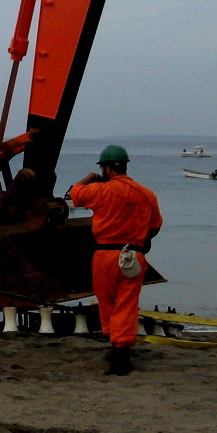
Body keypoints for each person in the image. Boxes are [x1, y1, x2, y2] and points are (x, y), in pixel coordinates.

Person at [68, 145, 163, 376]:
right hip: (133, 255)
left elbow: (74, 194)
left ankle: (116, 348)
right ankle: (120, 350)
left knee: (107, 302)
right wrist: (143, 242)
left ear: (106, 168)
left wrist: (91, 177)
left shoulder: (101, 191)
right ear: (126, 165)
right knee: (126, 305)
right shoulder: (146, 194)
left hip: (105, 255)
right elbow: (156, 225)